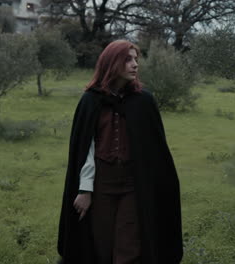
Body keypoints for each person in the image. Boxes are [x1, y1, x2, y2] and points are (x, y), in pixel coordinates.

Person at [57, 40, 183, 264]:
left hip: (133, 186)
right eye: (128, 59)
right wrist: (85, 190)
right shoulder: (90, 101)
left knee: (128, 247)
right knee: (101, 246)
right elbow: (86, 149)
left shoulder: (143, 101)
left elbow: (155, 152)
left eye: (136, 59)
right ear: (111, 63)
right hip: (100, 184)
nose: (135, 65)